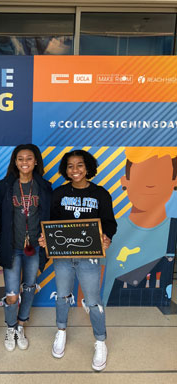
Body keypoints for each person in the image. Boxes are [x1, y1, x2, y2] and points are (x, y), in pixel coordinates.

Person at [39, 149, 117, 371]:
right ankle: (61, 331)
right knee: (63, 296)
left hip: (89, 258)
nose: (75, 170)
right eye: (70, 166)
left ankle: (100, 341)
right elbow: (50, 223)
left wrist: (106, 237)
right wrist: (45, 237)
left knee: (93, 301)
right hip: (62, 257)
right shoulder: (59, 193)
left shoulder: (101, 194)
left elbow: (110, 223)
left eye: (80, 165)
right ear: (65, 170)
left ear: (88, 167)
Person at [0, 144, 52, 351]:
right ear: (14, 162)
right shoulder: (4, 186)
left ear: (36, 161)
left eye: (29, 158)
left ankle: (21, 324)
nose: (24, 162)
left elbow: (50, 217)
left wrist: (48, 238)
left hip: (34, 248)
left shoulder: (44, 186)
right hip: (12, 248)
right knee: (12, 293)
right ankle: (10, 326)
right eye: (20, 158)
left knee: (28, 288)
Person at [103, 147, 177, 307]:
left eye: (160, 175)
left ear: (174, 181)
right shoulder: (108, 229)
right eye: (141, 174)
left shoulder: (173, 230)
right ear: (125, 182)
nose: (150, 184)